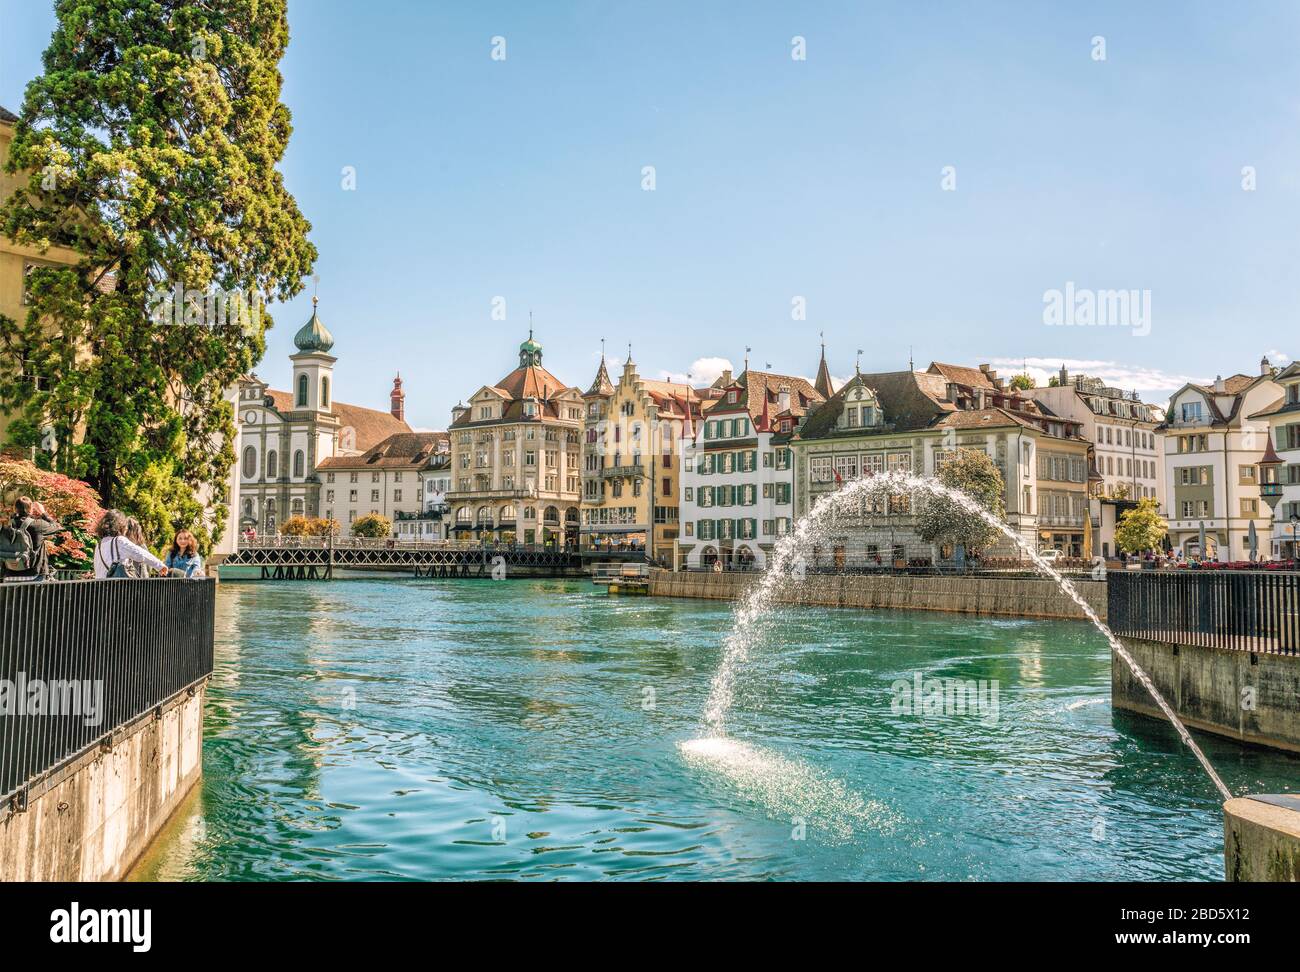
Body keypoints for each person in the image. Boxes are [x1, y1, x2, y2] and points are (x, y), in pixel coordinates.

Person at [0, 496, 64, 582]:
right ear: (31, 509)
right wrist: (43, 512)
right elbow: (57, 527)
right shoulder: (38, 525)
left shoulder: (6, 526)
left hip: (10, 575)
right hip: (34, 574)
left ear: (15, 508)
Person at [94, 510, 168, 578]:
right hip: (116, 588)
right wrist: (160, 566)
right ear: (120, 525)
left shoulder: (99, 545)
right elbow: (141, 554)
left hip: (101, 588)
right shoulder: (119, 541)